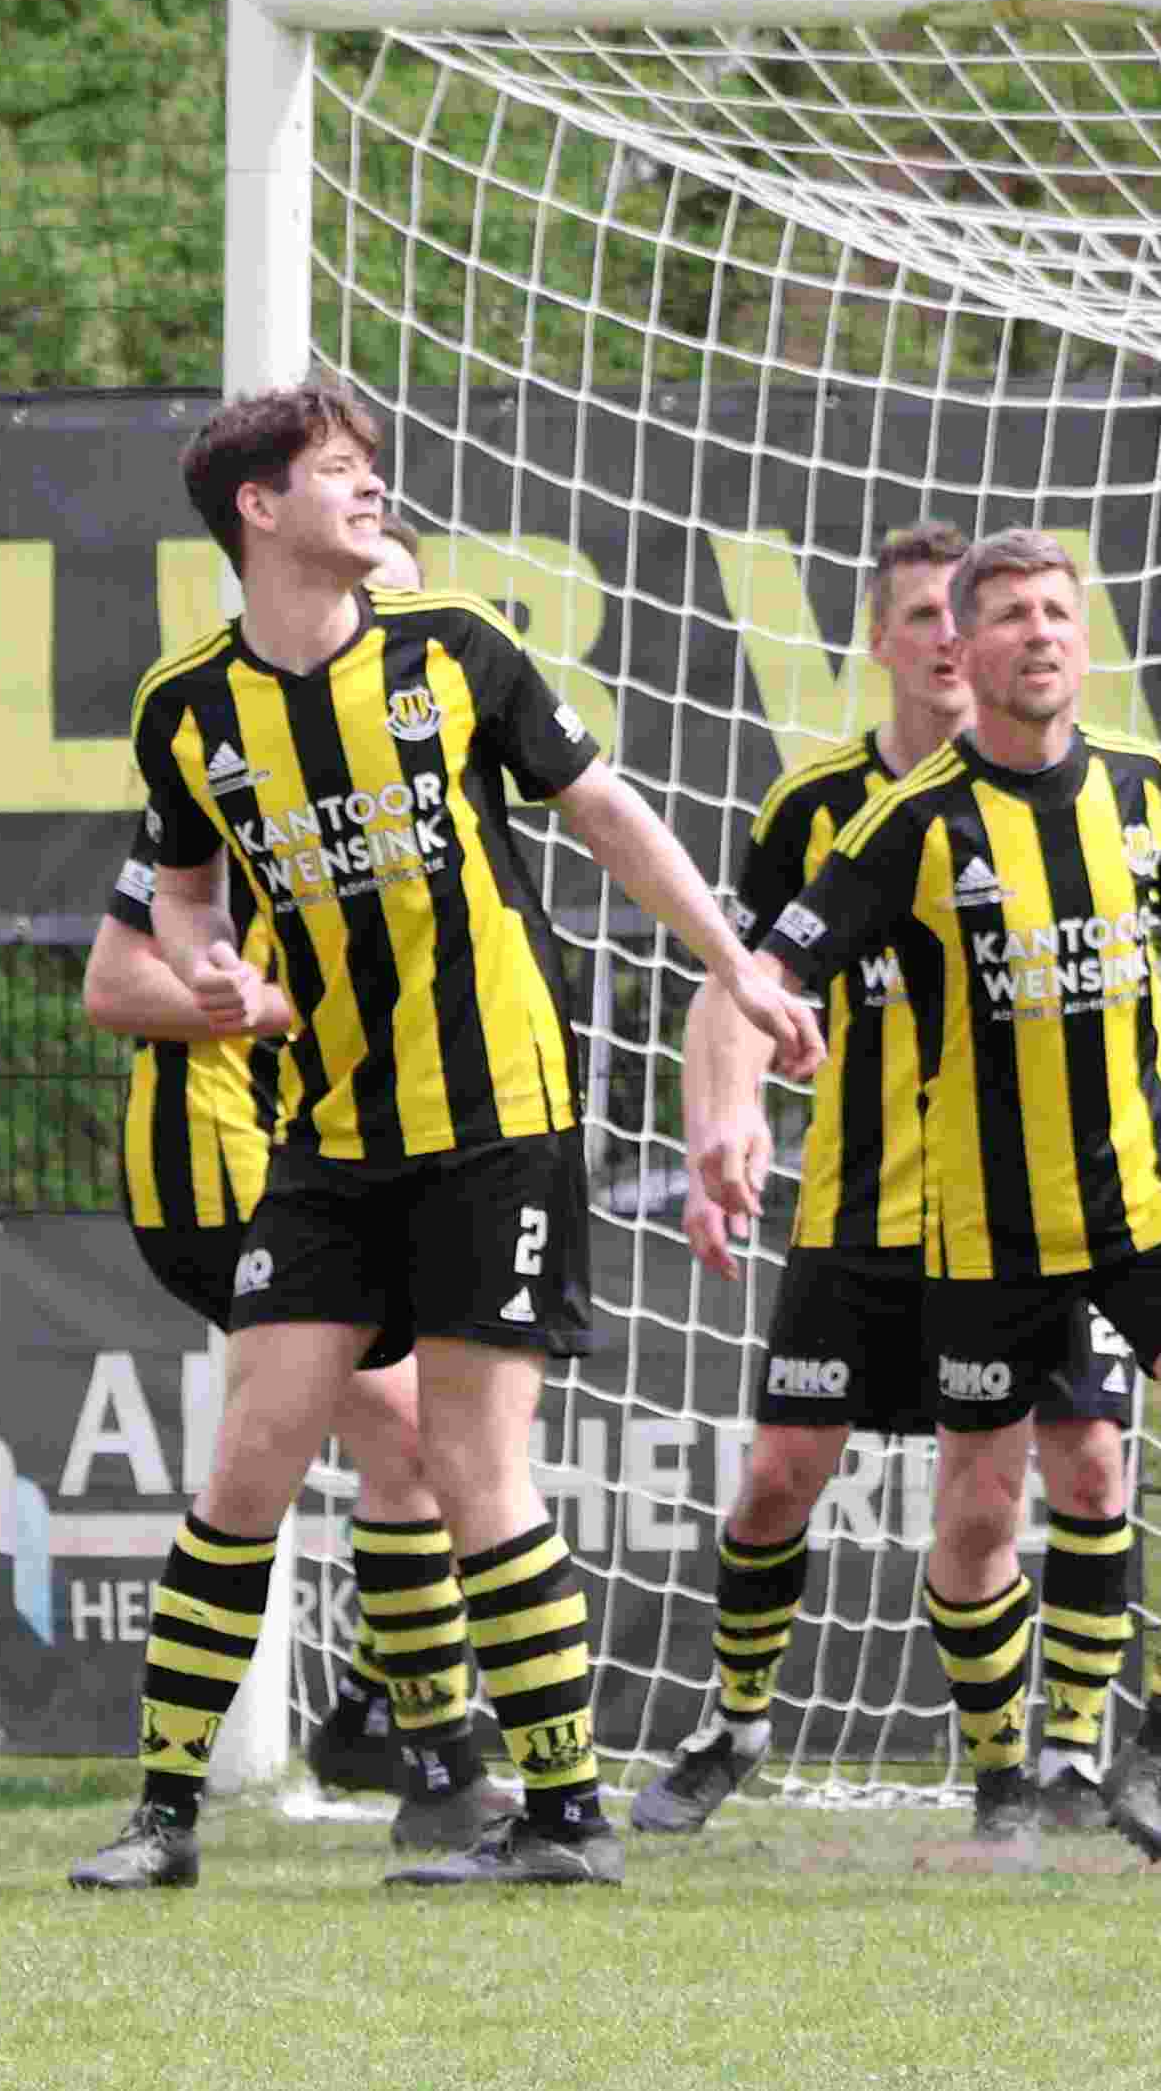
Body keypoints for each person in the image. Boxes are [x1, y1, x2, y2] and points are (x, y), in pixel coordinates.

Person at [64, 381, 809, 1895]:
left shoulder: (455, 650)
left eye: (374, 470)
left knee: (474, 1461)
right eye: (342, 471)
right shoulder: (186, 710)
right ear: (257, 508)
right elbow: (183, 899)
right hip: (328, 1137)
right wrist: (210, 967)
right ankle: (162, 1817)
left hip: (497, 1119)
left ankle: (561, 1815)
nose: (373, 491)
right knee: (249, 1461)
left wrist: (733, 959)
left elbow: (604, 813)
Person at [697, 529, 1161, 1860]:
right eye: (1010, 616)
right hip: (983, 1229)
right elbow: (766, 970)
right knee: (980, 1510)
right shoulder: (907, 823)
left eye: (1058, 611)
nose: (1039, 632)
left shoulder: (1146, 791)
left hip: (1150, 1197)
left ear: (1079, 640)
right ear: (964, 654)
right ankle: (996, 1779)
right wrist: (735, 1096)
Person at [636, 524, 1144, 1843]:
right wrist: (726, 1119)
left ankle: (1068, 1755)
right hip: (862, 1208)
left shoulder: (1087, 800)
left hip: (1031, 1212)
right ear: (889, 639)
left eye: (950, 612)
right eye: (917, 613)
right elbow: (738, 987)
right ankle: (732, 1722)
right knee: (778, 1476)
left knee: (1083, 1467)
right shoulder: (817, 812)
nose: (941, 637)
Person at [79, 526, 505, 1847]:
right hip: (225, 1160)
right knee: (387, 1436)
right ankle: (414, 1746)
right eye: (367, 583)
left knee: (418, 1441)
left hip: (356, 1155)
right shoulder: (235, 756)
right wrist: (249, 1008)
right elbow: (112, 979)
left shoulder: (421, 771)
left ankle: (393, 1719)